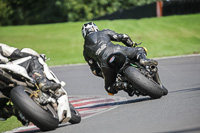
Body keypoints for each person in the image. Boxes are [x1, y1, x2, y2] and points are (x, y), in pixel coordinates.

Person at [82, 22, 158, 96]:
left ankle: (122, 85)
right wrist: (131, 44)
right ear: (95, 28)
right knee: (140, 50)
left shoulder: (85, 50)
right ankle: (142, 59)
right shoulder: (104, 32)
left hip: (105, 64)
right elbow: (123, 37)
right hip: (118, 50)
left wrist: (104, 75)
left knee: (109, 88)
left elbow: (95, 71)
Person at [0, 43, 61, 125]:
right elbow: (16, 53)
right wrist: (39, 57)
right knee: (33, 58)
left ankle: (13, 110)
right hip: (4, 69)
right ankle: (43, 82)